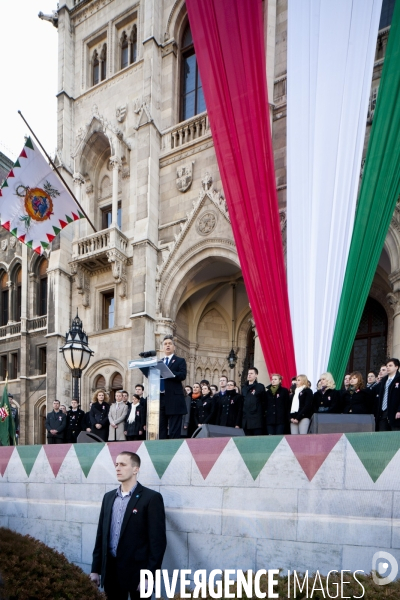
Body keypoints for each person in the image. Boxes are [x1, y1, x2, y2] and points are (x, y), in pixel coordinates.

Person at [90, 451, 166, 600]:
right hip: (111, 572)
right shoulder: (108, 497)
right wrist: (95, 569)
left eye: (123, 464)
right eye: (116, 464)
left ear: (135, 469)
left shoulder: (151, 498)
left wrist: (149, 576)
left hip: (139, 574)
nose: (118, 468)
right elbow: (101, 535)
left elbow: (158, 543)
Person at [159, 336, 187, 440]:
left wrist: (169, 373)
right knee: (161, 427)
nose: (167, 345)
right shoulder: (159, 362)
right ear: (162, 347)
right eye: (165, 344)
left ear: (174, 347)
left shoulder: (180, 361)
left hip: (174, 398)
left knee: (174, 429)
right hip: (161, 397)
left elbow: (182, 375)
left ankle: (174, 449)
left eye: (169, 343)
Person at [374, 358, 400, 431]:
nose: (388, 367)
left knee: (395, 437)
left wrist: (399, 410)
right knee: (383, 437)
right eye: (387, 365)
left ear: (396, 367)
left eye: (390, 365)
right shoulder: (384, 380)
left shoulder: (399, 379)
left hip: (394, 413)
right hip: (383, 413)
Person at [241, 367, 265, 436]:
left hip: (256, 420)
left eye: (251, 373)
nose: (249, 375)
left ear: (256, 375)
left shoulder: (260, 387)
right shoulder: (244, 388)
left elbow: (263, 401)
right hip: (246, 420)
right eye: (248, 373)